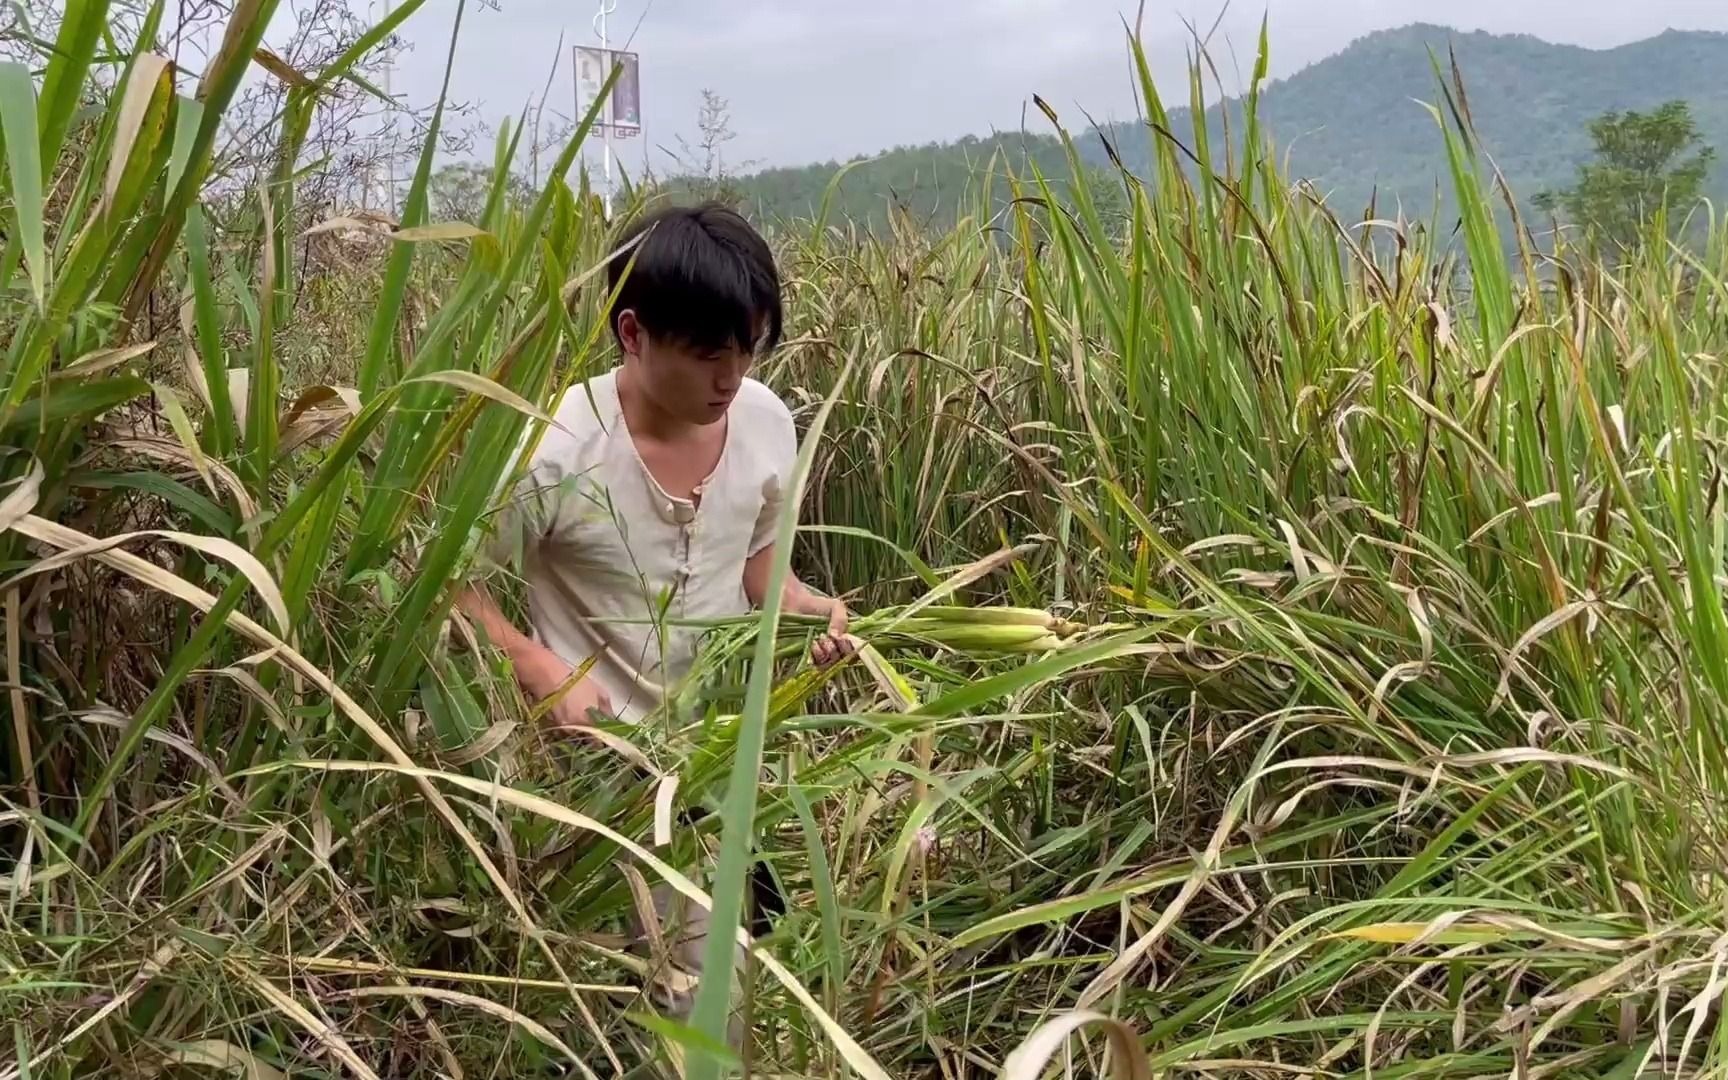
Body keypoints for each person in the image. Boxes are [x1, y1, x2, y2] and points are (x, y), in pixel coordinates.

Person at [456, 201, 852, 1031]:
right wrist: (541, 669)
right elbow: (457, 588)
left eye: (748, 350)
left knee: (719, 984)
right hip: (594, 773)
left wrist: (811, 613)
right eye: (709, 353)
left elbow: (758, 570)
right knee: (686, 1005)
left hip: (718, 759)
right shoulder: (556, 447)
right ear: (632, 334)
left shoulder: (766, 423)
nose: (731, 379)